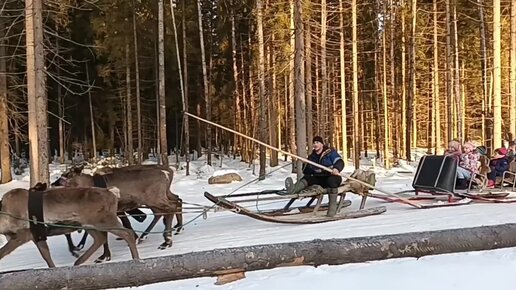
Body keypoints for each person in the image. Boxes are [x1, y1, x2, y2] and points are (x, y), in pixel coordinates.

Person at [284, 136, 344, 217]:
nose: (315, 145)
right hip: (319, 178)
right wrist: (305, 165)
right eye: (314, 143)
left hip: (332, 176)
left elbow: (340, 161)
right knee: (307, 178)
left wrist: (337, 168)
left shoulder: (330, 153)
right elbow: (307, 172)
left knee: (332, 182)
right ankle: (292, 190)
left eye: (317, 143)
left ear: (322, 144)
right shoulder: (312, 156)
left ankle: (332, 210)